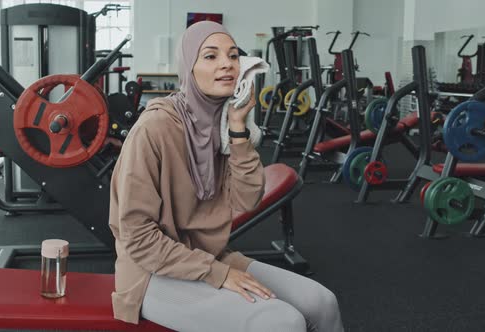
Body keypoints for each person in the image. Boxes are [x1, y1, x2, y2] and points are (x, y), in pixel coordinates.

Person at [109, 21, 344, 332]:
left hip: (210, 256)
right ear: (189, 67)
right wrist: (216, 273)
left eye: (233, 56)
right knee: (283, 323)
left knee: (322, 302)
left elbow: (247, 199)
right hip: (150, 273)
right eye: (210, 56)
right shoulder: (155, 127)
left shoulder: (224, 125)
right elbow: (136, 238)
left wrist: (237, 127)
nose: (226, 64)